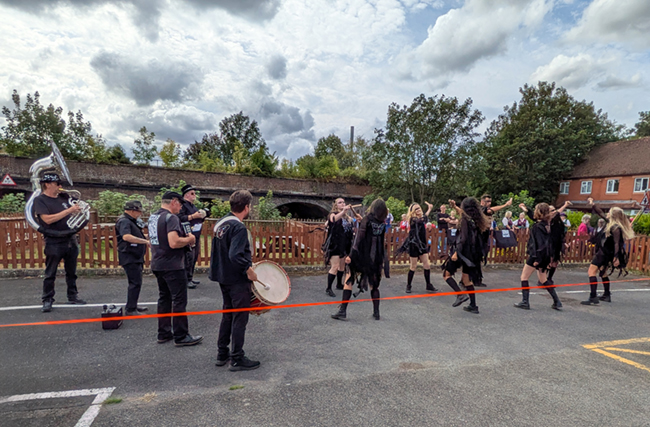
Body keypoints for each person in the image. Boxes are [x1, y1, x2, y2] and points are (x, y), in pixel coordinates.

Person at [209, 190, 261, 371]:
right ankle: (237, 358)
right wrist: (249, 271)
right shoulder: (238, 227)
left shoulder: (220, 224)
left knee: (228, 315)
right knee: (240, 318)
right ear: (246, 207)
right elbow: (235, 255)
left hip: (223, 277)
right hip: (237, 279)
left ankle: (222, 353)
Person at [149, 191, 202, 347]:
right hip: (172, 264)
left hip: (158, 262)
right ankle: (181, 335)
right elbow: (174, 242)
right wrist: (190, 239)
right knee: (179, 300)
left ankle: (164, 332)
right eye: (179, 203)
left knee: (164, 298)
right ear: (173, 201)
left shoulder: (153, 217)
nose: (180, 207)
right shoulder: (171, 218)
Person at [32, 172, 86, 312]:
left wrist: (76, 212)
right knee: (50, 272)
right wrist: (69, 211)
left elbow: (69, 213)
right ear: (48, 184)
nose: (60, 187)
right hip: (54, 240)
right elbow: (47, 220)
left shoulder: (63, 198)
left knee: (72, 271)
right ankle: (47, 299)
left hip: (70, 238)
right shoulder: (40, 200)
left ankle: (73, 296)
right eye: (57, 184)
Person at [331, 198, 389, 321]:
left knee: (349, 279)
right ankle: (376, 312)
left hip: (361, 255)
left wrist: (350, 256)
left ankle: (342, 311)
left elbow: (358, 239)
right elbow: (380, 241)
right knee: (374, 285)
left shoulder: (367, 219)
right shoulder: (382, 223)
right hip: (375, 258)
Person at [581, 198, 635, 305]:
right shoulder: (610, 223)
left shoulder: (616, 228)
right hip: (605, 252)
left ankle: (593, 296)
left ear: (613, 215)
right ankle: (606, 294)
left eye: (609, 212)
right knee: (603, 272)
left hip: (604, 253)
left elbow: (617, 243)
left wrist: (616, 257)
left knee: (591, 272)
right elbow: (600, 213)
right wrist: (593, 204)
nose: (607, 213)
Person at [441, 198, 490, 313]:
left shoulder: (464, 220)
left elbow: (463, 238)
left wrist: (456, 252)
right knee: (467, 280)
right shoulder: (478, 220)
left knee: (446, 274)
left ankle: (460, 295)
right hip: (472, 255)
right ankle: (473, 306)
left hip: (462, 253)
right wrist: (454, 206)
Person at [513, 203, 562, 311]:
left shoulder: (537, 227)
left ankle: (525, 301)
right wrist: (525, 209)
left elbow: (540, 244)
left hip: (537, 255)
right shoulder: (547, 224)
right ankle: (557, 301)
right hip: (545, 256)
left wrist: (537, 259)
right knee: (543, 279)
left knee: (524, 277)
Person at [115, 200, 150, 315]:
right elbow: (126, 236)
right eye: (138, 211)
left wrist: (143, 237)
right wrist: (144, 241)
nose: (139, 214)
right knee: (135, 283)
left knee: (136, 282)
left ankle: (133, 305)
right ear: (132, 210)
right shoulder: (124, 221)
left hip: (135, 255)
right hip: (129, 255)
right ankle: (130, 309)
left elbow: (134, 234)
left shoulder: (131, 221)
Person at [396, 202, 437, 293]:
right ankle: (408, 285)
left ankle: (428, 285)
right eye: (416, 209)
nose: (418, 210)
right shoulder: (412, 219)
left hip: (422, 245)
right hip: (414, 245)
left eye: (419, 208)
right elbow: (421, 220)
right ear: (412, 211)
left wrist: (429, 209)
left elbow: (424, 220)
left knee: (427, 265)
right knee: (413, 266)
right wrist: (429, 210)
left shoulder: (421, 219)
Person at [322, 198, 356, 297]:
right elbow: (333, 220)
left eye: (343, 202)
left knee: (342, 266)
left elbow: (354, 224)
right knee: (335, 266)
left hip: (344, 245)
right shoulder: (333, 214)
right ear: (336, 205)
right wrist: (343, 211)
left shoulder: (348, 218)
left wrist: (358, 220)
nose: (342, 204)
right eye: (340, 202)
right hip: (335, 244)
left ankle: (339, 284)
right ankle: (328, 288)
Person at [477, 195, 513, 286]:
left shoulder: (485, 210)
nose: (489, 203)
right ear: (482, 202)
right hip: (478, 237)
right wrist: (505, 205)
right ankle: (472, 280)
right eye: (487, 201)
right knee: (476, 259)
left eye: (490, 201)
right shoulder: (481, 209)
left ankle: (475, 279)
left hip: (484, 236)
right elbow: (490, 210)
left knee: (480, 258)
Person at [178, 184, 207, 289]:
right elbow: (180, 218)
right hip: (188, 235)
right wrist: (193, 216)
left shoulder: (193, 206)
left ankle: (190, 277)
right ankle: (186, 279)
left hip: (196, 234)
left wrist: (202, 216)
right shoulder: (183, 206)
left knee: (194, 257)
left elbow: (197, 218)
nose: (194, 195)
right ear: (186, 195)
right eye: (192, 193)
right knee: (188, 257)